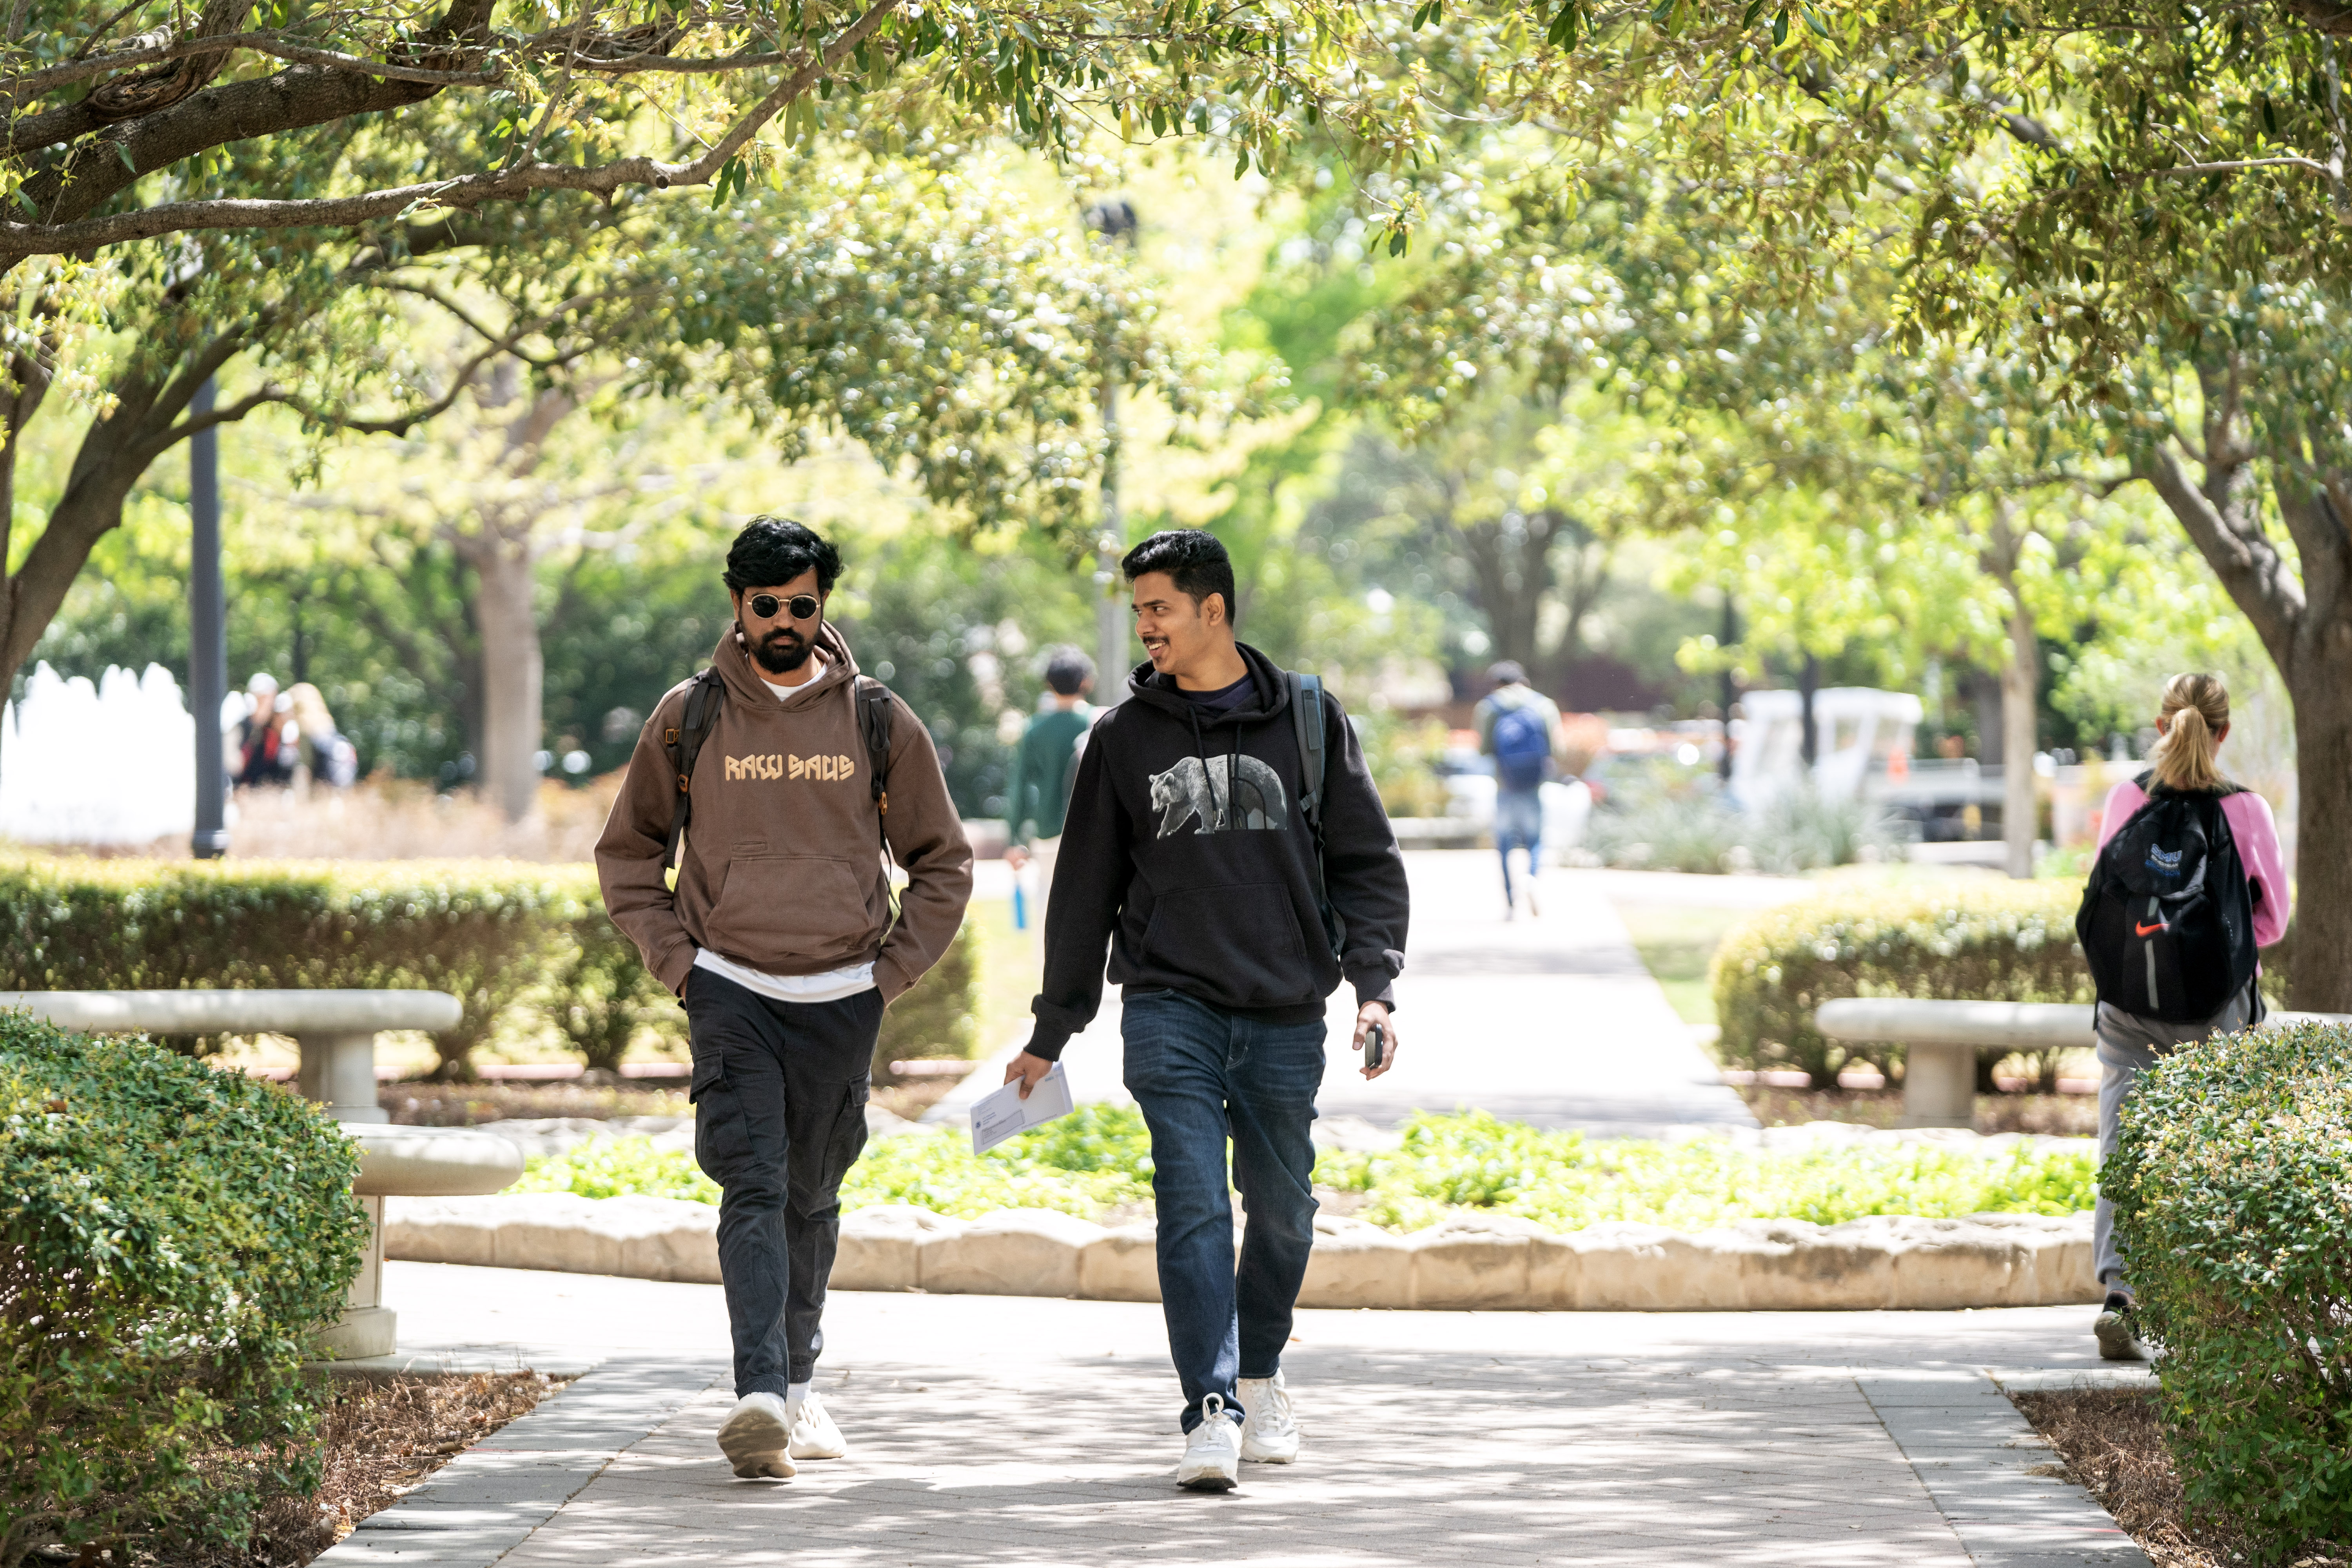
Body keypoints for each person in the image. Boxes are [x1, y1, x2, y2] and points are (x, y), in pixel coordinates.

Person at [1004, 528, 1410, 1492]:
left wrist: (1376, 987)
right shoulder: (1121, 737)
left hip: (1282, 1010)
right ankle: (1211, 1407)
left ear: (1211, 611)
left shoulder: (1309, 718)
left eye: (1159, 609)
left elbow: (1366, 864)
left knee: (1283, 1214)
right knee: (1190, 1204)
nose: (1144, 626)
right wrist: (1049, 1033)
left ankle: (1260, 1370)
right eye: (1138, 609)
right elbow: (1085, 893)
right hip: (1168, 1003)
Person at [595, 517, 974, 1479]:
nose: (784, 623)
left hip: (844, 993)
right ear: (738, 605)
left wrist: (889, 973)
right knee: (754, 1182)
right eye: (766, 606)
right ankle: (758, 1391)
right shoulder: (690, 715)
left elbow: (944, 863)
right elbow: (630, 854)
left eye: (801, 606)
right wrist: (681, 964)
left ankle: (800, 1389)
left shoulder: (877, 717)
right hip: (730, 989)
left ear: (822, 607)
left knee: (813, 1193)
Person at [2080, 672, 2288, 1361]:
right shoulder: (2246, 811)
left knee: (2123, 1139)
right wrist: (2216, 943)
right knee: (2215, 1147)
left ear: (2160, 724)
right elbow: (2275, 919)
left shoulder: (2125, 798)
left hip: (2128, 1006)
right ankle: (2212, 1308)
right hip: (2216, 1010)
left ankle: (2122, 1298)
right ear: (2222, 733)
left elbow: (2106, 899)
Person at [1003, 647, 1096, 938]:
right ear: (1086, 683)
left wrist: (1014, 838)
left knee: (1048, 902)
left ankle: (1050, 976)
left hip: (1047, 829)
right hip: (1091, 829)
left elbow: (1021, 787)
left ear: (1048, 684)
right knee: (1092, 904)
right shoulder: (1099, 723)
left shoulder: (1035, 729)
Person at [1473, 661, 1563, 917]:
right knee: (1535, 840)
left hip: (1505, 785)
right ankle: (1531, 878)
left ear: (1497, 684)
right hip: (1534, 784)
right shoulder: (1543, 705)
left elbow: (1483, 749)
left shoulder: (1490, 706)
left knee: (1503, 843)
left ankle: (1511, 902)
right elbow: (1558, 748)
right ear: (1524, 681)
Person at [232, 673, 297, 788]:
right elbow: (234, 767)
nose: (268, 704)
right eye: (263, 698)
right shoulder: (240, 726)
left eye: (271, 699)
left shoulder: (272, 732)